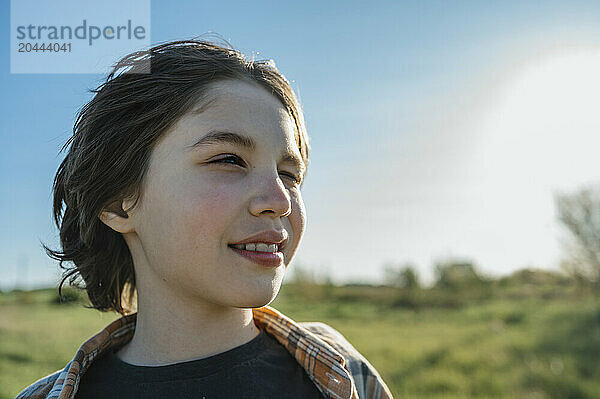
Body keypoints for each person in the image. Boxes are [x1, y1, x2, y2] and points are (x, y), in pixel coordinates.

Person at [15, 38, 394, 399]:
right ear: (119, 204)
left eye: (289, 174)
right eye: (228, 160)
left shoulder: (347, 372)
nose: (280, 200)